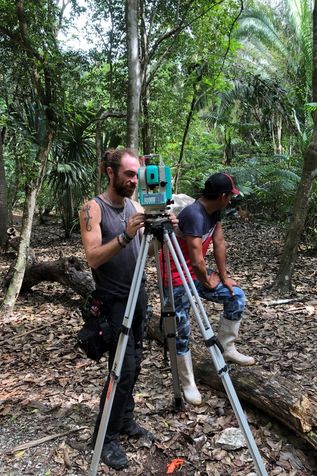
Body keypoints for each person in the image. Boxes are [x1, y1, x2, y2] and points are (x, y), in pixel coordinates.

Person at [79, 148, 177, 471]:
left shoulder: (136, 205)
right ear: (110, 172)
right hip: (113, 300)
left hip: (138, 296)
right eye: (129, 175)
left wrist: (164, 229)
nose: (135, 181)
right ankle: (104, 437)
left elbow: (145, 252)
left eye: (137, 175)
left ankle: (124, 420)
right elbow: (92, 257)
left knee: (135, 363)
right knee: (121, 369)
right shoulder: (93, 209)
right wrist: (124, 235)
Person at [161, 172, 255, 407]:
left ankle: (226, 346)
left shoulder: (215, 212)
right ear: (223, 196)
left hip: (196, 273)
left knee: (236, 296)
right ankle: (187, 382)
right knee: (182, 328)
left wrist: (224, 278)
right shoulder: (194, 215)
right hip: (176, 276)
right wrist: (206, 281)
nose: (231, 200)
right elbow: (195, 260)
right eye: (230, 196)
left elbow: (219, 242)